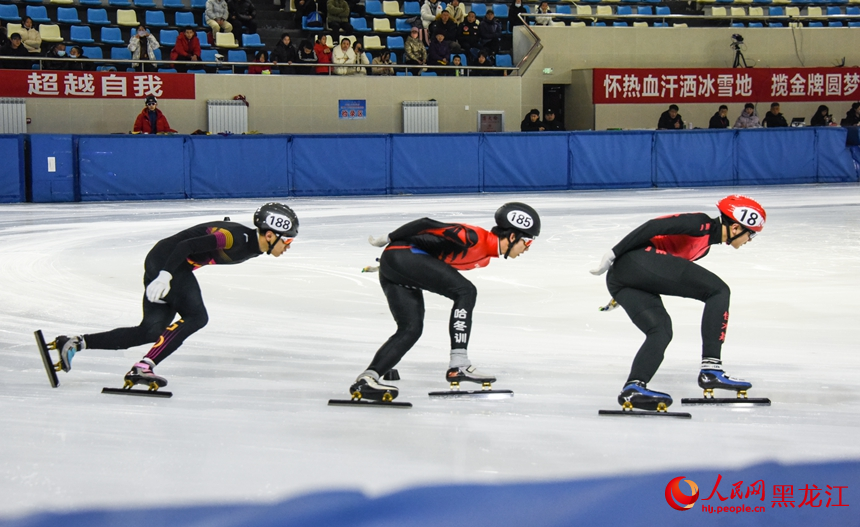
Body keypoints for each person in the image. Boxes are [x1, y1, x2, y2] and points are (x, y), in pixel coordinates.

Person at [48, 204, 300, 390]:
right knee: (197, 317)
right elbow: (186, 246)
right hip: (168, 263)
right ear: (269, 234)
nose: (288, 246)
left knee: (149, 331)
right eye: (287, 240)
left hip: (166, 263)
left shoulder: (253, 245)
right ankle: (143, 367)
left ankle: (74, 342)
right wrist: (165, 275)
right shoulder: (235, 238)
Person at [589, 195, 766, 411]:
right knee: (718, 291)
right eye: (752, 235)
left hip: (623, 280)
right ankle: (711, 369)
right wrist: (614, 252)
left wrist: (622, 290)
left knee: (661, 330)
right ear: (736, 228)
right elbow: (655, 226)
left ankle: (634, 387)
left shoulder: (704, 248)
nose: (749, 240)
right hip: (633, 262)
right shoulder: (701, 224)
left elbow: (663, 269)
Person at [349, 203, 540, 401]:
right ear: (511, 236)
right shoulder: (473, 237)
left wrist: (392, 265)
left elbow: (434, 258)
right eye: (527, 242)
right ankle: (459, 364)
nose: (526, 249)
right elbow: (426, 223)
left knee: (410, 329)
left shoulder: (484, 259)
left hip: (398, 264)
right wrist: (389, 238)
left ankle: (367, 378)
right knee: (466, 291)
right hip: (401, 254)